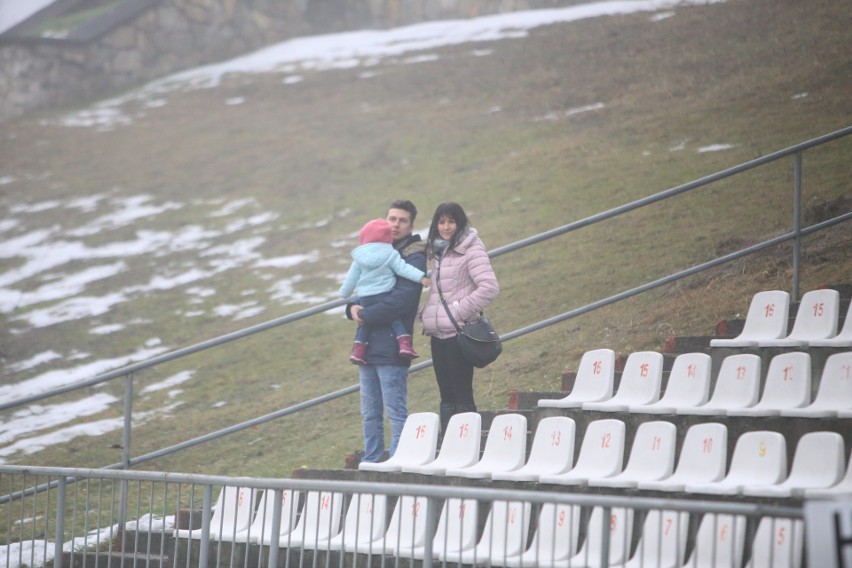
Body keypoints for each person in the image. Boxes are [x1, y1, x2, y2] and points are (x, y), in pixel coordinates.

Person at [345, 200, 427, 464]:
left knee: (395, 412)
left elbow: (401, 299)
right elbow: (361, 287)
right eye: (392, 218)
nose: (395, 224)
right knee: (369, 413)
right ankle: (371, 461)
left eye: (402, 220)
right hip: (367, 346)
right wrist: (352, 308)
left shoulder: (413, 255)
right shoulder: (374, 251)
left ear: (411, 225)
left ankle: (398, 463)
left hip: (394, 345)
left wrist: (364, 315)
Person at [419, 202, 499, 436]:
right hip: (438, 335)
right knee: (446, 395)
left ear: (460, 223)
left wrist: (458, 311)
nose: (446, 227)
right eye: (441, 222)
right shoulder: (438, 253)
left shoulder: (470, 249)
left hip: (458, 332)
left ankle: (467, 443)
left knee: (462, 393)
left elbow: (489, 288)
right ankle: (449, 446)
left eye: (451, 221)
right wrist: (426, 313)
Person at [340, 217, 430, 364]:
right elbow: (404, 269)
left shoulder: (358, 258)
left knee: (365, 323)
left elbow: (351, 279)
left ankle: (358, 350)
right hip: (385, 293)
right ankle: (404, 344)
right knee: (394, 319)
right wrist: (421, 277)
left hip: (366, 297)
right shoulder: (390, 253)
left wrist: (344, 293)